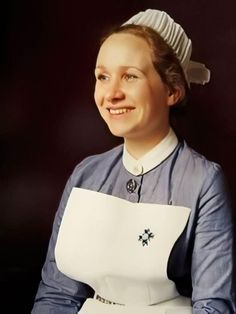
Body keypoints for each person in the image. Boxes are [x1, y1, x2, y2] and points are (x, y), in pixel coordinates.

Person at [31, 8, 235, 314]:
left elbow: (214, 306)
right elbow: (57, 294)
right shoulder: (86, 174)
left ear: (172, 90)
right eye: (103, 76)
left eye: (130, 76)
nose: (111, 93)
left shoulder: (201, 181)